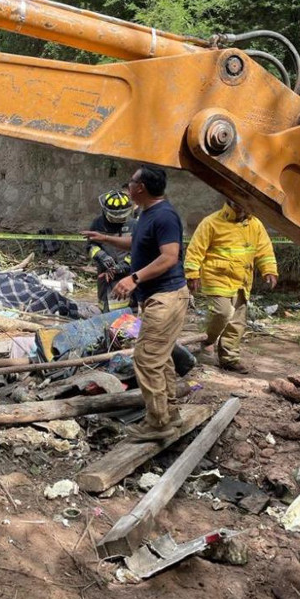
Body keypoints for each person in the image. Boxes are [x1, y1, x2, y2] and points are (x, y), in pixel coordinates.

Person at [83, 166, 189, 441]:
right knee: (160, 357)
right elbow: (137, 243)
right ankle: (169, 414)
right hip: (156, 298)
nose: (128, 186)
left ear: (140, 188)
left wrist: (134, 278)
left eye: (130, 182)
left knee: (146, 358)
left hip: (165, 297)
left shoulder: (165, 216)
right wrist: (105, 239)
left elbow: (169, 257)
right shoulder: (146, 214)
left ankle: (157, 423)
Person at [184, 199, 278, 374]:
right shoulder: (211, 222)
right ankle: (208, 341)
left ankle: (229, 358)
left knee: (237, 322)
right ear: (229, 202)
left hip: (242, 280)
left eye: (245, 205)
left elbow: (264, 250)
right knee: (223, 313)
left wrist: (269, 270)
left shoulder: (255, 224)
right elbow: (195, 250)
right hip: (217, 277)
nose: (241, 208)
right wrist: (192, 274)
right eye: (238, 204)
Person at [85, 189, 136, 312]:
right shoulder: (98, 224)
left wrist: (124, 265)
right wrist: (101, 256)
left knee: (128, 312)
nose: (118, 220)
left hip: (127, 276)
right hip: (105, 274)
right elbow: (90, 246)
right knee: (105, 309)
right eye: (114, 217)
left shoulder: (134, 225)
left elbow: (138, 250)